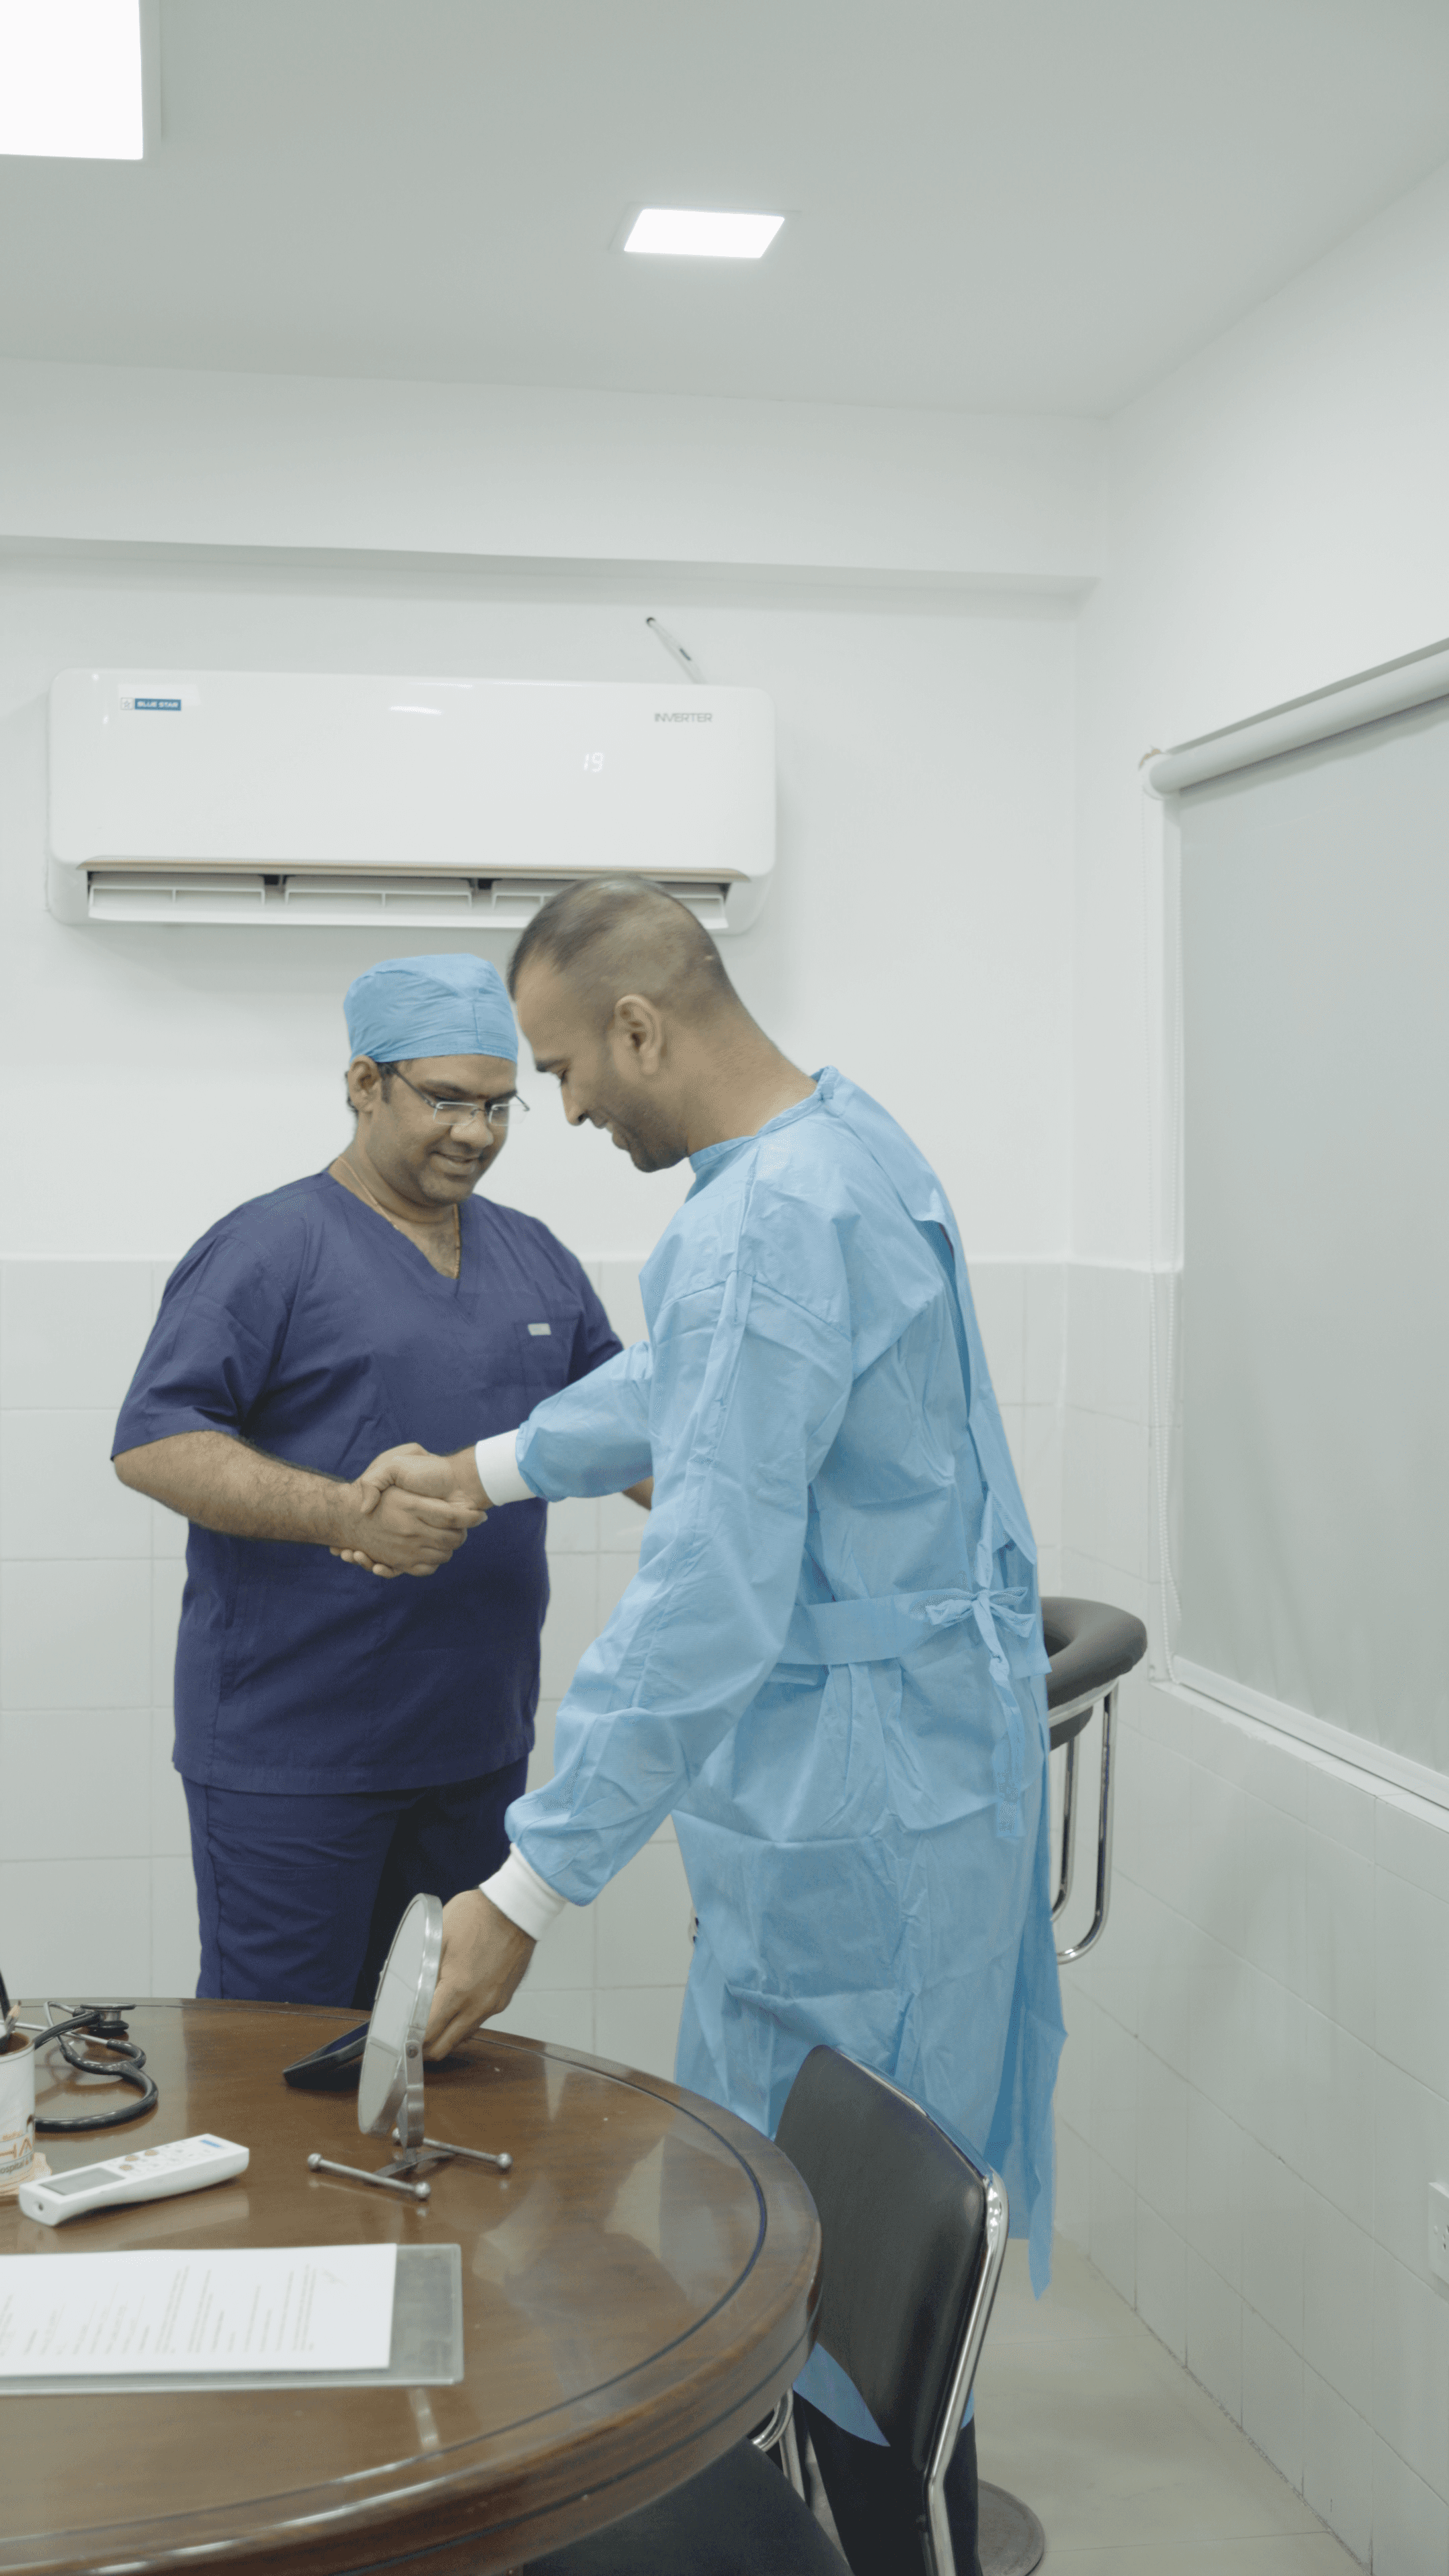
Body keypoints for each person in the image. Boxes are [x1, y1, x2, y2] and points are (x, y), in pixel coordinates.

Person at [346, 885, 1064, 2576]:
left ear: (641, 1026)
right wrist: (490, 1466)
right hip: (906, 1777)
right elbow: (704, 1378)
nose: (566, 1109)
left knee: (867, 2307)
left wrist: (526, 1887)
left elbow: (711, 1592)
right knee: (847, 2275)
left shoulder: (769, 1217)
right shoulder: (841, 1146)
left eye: (563, 1069)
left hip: (862, 1814)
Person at [112, 952, 645, 2012]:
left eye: (497, 1106)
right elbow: (154, 1440)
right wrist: (344, 1514)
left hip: (475, 1749)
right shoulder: (270, 1247)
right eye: (445, 1099)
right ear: (365, 1083)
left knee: (433, 2049)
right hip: (295, 1756)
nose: (475, 1133)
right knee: (277, 2054)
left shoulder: (536, 1259)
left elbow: (630, 1436)